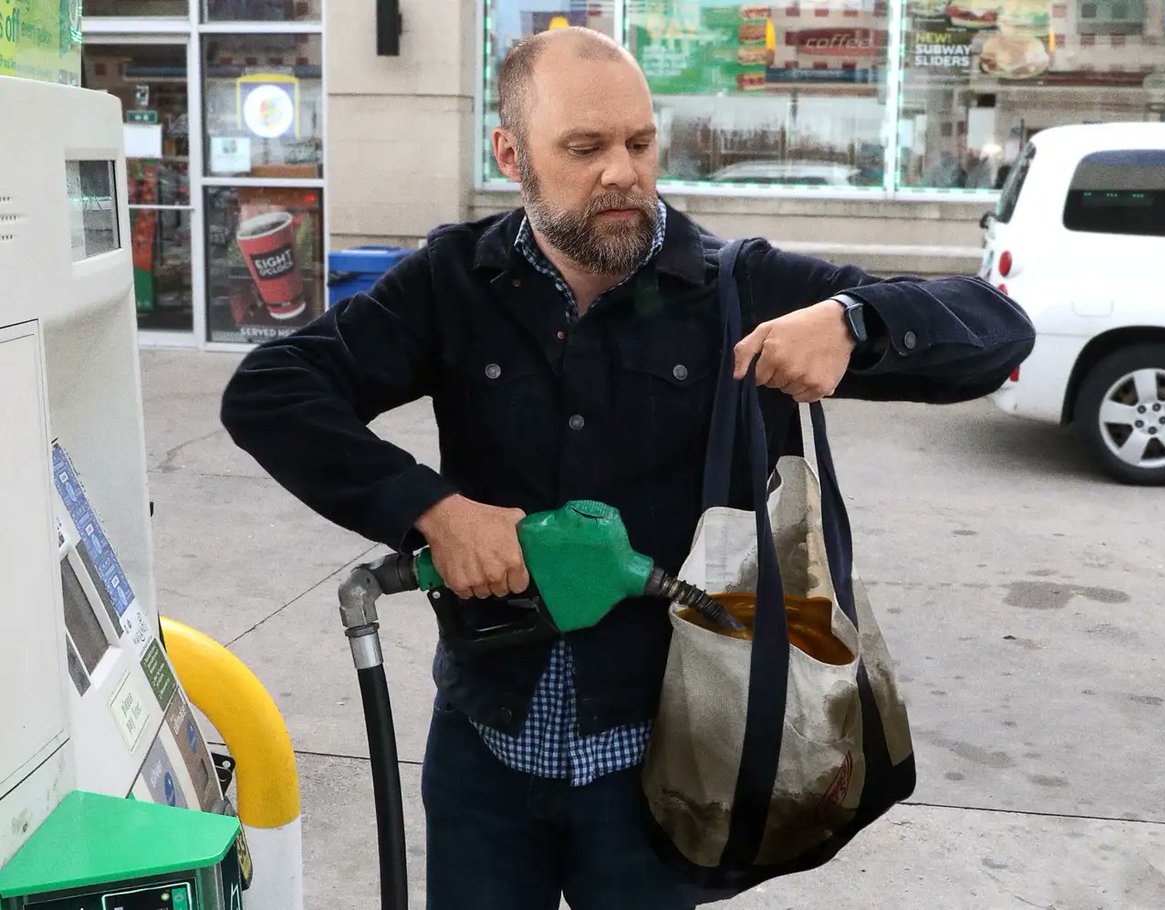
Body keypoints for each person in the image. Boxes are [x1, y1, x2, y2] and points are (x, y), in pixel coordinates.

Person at [221, 26, 1034, 910]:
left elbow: (994, 326)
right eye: (585, 147)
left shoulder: (740, 289)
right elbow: (271, 389)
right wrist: (433, 509)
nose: (622, 171)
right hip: (485, 749)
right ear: (511, 153)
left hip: (663, 767)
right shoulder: (453, 282)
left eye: (640, 144)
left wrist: (854, 322)